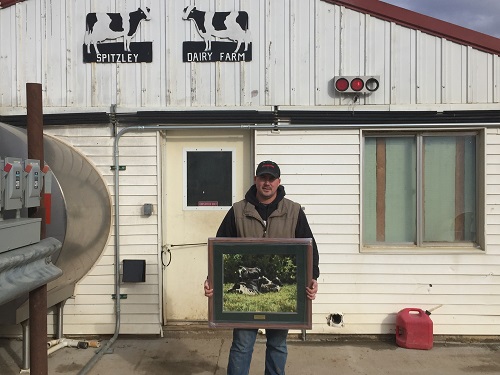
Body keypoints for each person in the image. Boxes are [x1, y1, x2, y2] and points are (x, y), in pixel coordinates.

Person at [204, 160, 320, 375]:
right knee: (242, 345)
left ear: (279, 182)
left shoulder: (294, 211)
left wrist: (313, 278)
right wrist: (211, 278)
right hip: (246, 304)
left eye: (271, 179)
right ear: (256, 180)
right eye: (263, 178)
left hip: (283, 309)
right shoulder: (238, 210)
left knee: (277, 345)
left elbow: (310, 249)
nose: (267, 183)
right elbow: (219, 248)